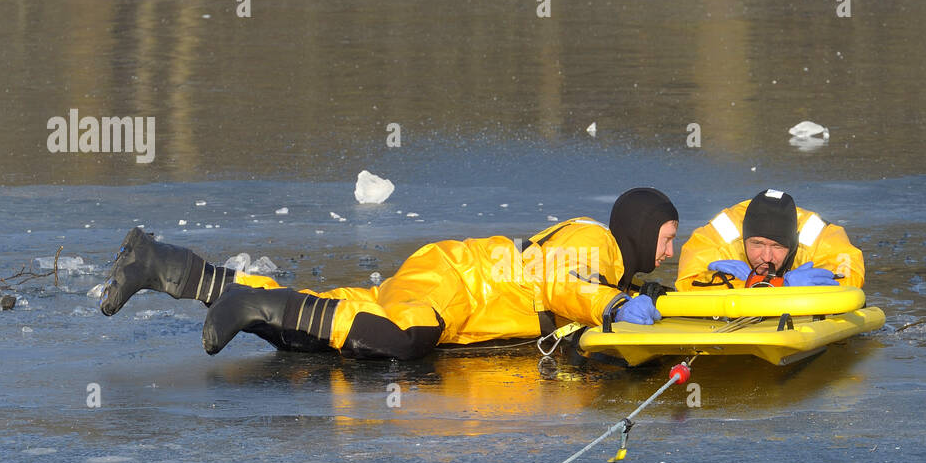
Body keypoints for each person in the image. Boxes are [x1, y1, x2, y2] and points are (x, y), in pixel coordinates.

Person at [99, 187, 679, 360]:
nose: (670, 250)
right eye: (667, 238)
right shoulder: (599, 246)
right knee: (403, 338)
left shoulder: (606, 259)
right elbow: (560, 283)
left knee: (332, 323)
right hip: (458, 283)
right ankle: (254, 305)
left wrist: (634, 294)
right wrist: (606, 308)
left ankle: (161, 264)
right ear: (639, 229)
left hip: (453, 282)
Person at [675, 189, 865, 291]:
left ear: (792, 246)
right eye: (757, 244)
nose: (766, 256)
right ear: (744, 239)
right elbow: (686, 283)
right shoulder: (717, 238)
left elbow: (851, 276)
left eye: (777, 246)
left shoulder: (820, 237)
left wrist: (790, 287)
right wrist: (756, 285)